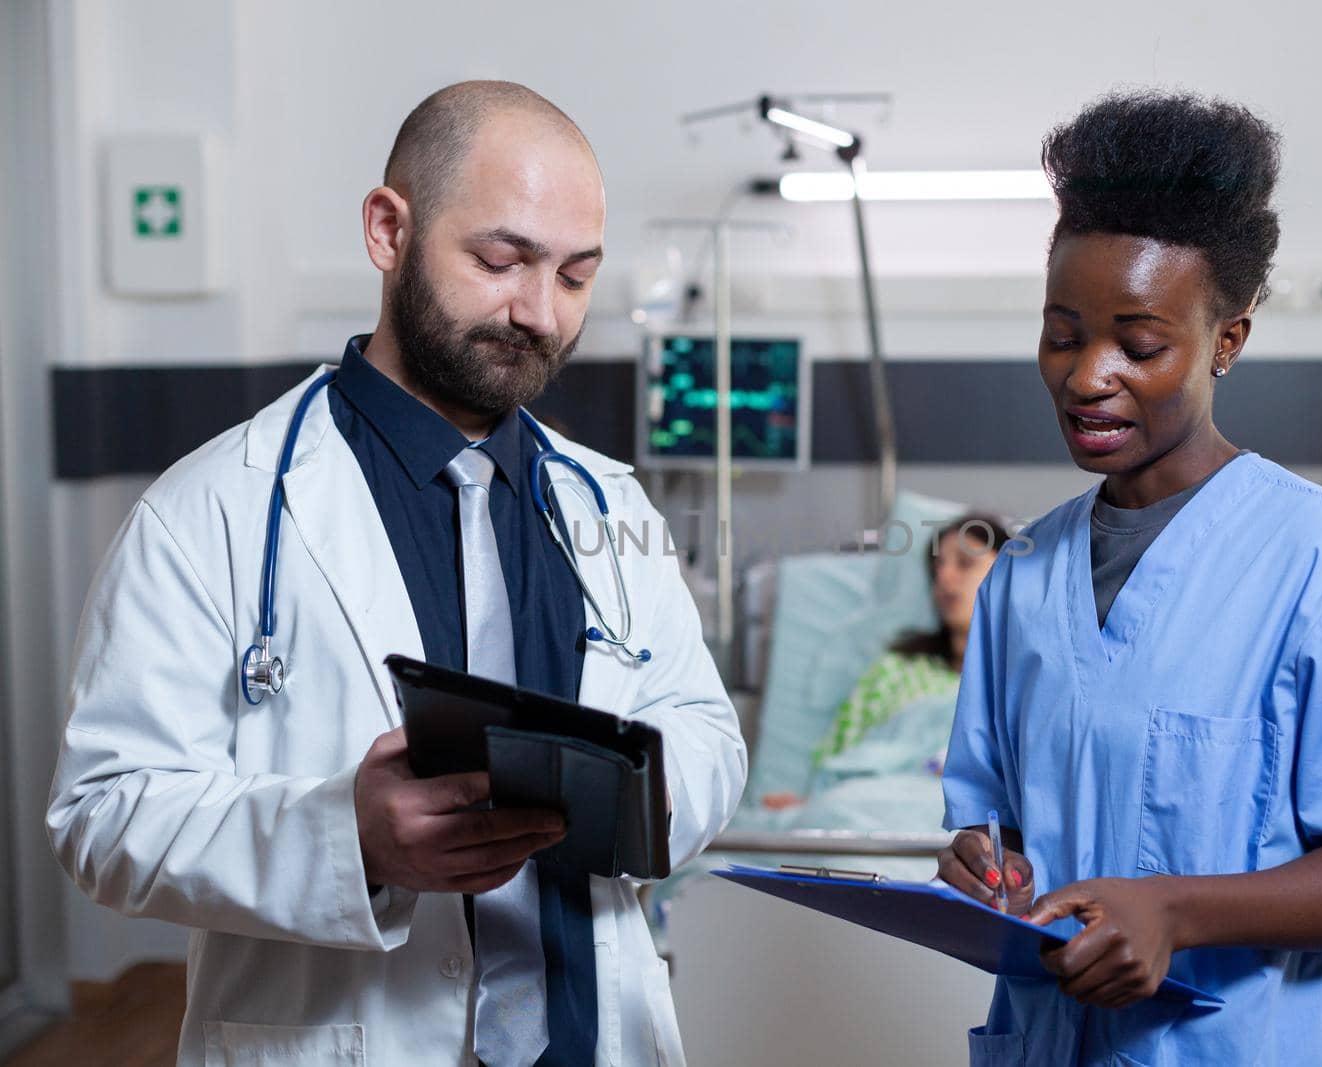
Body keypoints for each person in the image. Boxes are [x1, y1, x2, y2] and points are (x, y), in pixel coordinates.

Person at [46, 81, 746, 1067]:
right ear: (388, 230)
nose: (540, 314)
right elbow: (102, 813)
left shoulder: (607, 505)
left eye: (577, 275)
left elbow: (705, 726)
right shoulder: (210, 509)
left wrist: (650, 793)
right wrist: (347, 838)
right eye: (500, 260)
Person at [937, 90, 1322, 1066]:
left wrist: (1174, 911)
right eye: (1062, 332)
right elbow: (1007, 822)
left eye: (1139, 345)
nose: (1085, 373)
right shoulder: (1022, 574)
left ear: (1225, 340)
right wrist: (993, 867)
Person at [763, 513, 1010, 810]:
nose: (945, 577)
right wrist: (808, 804)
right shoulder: (897, 670)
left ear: (1008, 574)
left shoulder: (1025, 678)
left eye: (965, 563)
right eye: (937, 568)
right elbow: (843, 762)